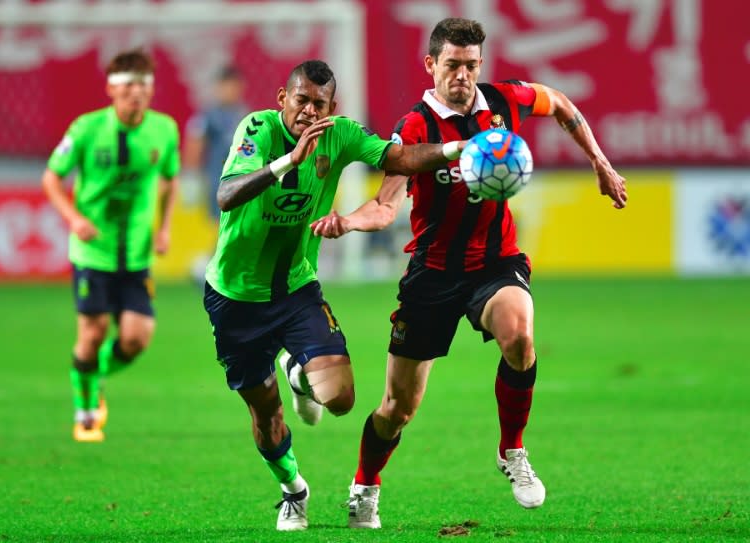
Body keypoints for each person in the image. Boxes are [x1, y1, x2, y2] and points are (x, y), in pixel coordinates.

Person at [310, 18, 628, 528]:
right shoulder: (414, 128)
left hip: (494, 263)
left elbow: (562, 104)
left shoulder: (504, 102)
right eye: (453, 65)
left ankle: (512, 450)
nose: (463, 75)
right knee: (397, 408)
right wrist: (347, 222)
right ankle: (365, 483)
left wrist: (600, 163)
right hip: (432, 275)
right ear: (431, 64)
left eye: (472, 66)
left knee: (520, 335)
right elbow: (385, 205)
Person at [201, 59, 468, 531]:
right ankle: (293, 491)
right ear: (283, 99)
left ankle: (297, 371)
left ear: (332, 108)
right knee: (266, 415)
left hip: (297, 288)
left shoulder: (341, 134)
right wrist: (289, 160)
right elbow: (226, 195)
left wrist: (454, 149)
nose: (308, 111)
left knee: (341, 399)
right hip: (235, 297)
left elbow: (399, 159)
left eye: (318, 104)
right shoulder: (256, 129)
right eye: (300, 100)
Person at [42, 48, 180, 443]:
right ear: (111, 89)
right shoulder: (85, 129)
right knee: (93, 331)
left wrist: (164, 227)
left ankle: (91, 372)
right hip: (93, 252)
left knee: (136, 339)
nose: (136, 93)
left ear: (150, 91)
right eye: (128, 85)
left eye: (143, 85)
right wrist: (74, 219)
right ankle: (86, 410)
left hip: (136, 253)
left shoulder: (164, 130)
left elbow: (170, 179)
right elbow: (52, 178)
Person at [183, 64, 248, 222]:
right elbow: (195, 143)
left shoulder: (244, 115)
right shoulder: (208, 116)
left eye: (234, 86)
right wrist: (191, 176)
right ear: (218, 87)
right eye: (226, 86)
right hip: (216, 181)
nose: (230, 91)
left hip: (241, 180)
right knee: (218, 225)